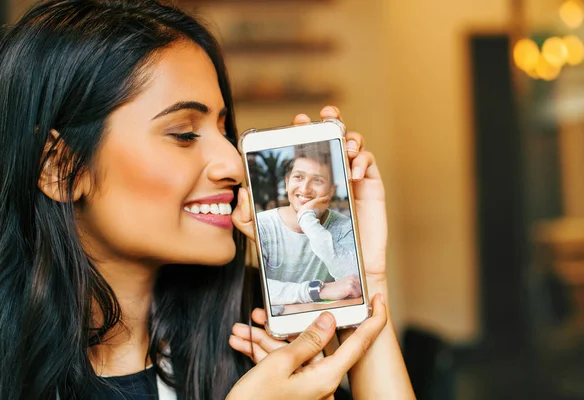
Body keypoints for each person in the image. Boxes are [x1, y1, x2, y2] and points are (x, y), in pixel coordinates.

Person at [0, 0, 415, 399]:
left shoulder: (258, 328)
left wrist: (365, 279)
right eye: (183, 133)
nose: (234, 164)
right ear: (58, 168)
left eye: (223, 128)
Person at [257, 144, 361, 307]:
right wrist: (317, 291)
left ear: (331, 191)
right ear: (286, 183)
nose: (305, 189)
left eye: (318, 180)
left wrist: (307, 218)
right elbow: (259, 289)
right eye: (298, 177)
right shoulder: (262, 224)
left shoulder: (343, 226)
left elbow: (354, 282)